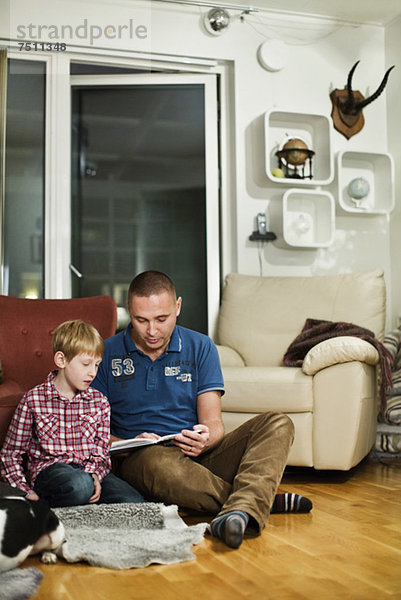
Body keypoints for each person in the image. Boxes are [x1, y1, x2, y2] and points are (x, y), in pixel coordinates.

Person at [93, 271, 312, 549]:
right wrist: (127, 443)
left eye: (162, 319)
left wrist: (206, 438)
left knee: (279, 423)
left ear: (178, 307)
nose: (152, 331)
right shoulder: (105, 353)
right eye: (141, 320)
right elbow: (93, 432)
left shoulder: (201, 346)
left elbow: (214, 423)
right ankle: (254, 501)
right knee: (155, 460)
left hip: (200, 458)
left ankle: (243, 503)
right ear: (129, 309)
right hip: (141, 460)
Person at [0, 320, 144, 507]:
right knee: (79, 486)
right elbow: (10, 454)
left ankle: (83, 507)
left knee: (133, 502)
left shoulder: (99, 402)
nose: (92, 373)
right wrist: (23, 491)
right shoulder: (33, 400)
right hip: (52, 473)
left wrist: (95, 475)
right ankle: (58, 504)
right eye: (86, 364)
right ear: (62, 360)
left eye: (97, 365)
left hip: (88, 471)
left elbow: (101, 452)